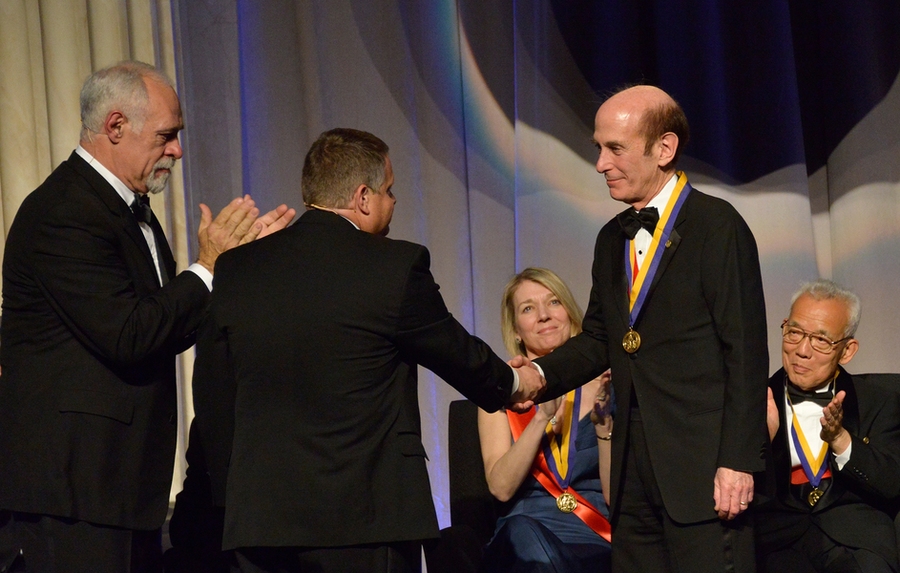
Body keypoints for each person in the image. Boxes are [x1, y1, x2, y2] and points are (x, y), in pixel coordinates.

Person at [190, 127, 545, 573]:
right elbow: (457, 354)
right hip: (365, 519)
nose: (394, 202)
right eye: (389, 191)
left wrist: (233, 496)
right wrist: (516, 382)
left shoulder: (237, 268)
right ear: (362, 197)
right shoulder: (392, 266)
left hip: (261, 521)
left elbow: (211, 389)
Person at [0, 61, 294, 573]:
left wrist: (238, 269)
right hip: (71, 499)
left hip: (121, 490)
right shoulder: (64, 212)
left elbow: (166, 328)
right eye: (167, 135)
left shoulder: (130, 209)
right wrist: (206, 265)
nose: (177, 150)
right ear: (115, 127)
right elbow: (130, 335)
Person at [532, 85, 769, 572]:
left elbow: (745, 353)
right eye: (598, 147)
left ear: (664, 148)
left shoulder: (717, 226)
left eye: (614, 148)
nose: (600, 163)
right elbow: (602, 338)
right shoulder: (609, 239)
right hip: (633, 475)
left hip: (705, 474)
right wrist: (535, 376)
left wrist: (738, 462)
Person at [754, 279, 900, 572]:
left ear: (847, 351)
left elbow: (892, 483)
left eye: (820, 339)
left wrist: (842, 440)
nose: (802, 350)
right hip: (778, 541)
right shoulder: (754, 400)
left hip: (854, 538)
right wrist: (759, 440)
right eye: (794, 332)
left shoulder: (880, 399)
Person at [477, 268, 613, 573]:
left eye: (553, 302)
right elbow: (500, 488)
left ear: (571, 313)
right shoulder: (500, 395)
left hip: (595, 535)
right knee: (525, 537)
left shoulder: (609, 385)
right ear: (515, 329)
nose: (543, 315)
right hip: (524, 541)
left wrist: (605, 429)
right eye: (528, 308)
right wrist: (541, 418)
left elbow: (618, 497)